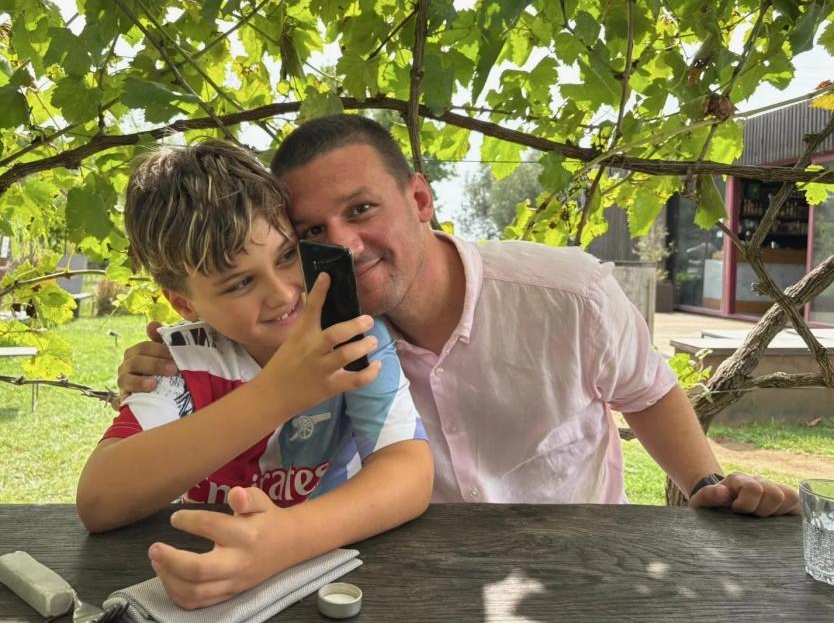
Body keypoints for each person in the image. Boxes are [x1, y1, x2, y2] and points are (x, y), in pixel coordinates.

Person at [119, 115, 800, 515]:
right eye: (314, 232)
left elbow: (648, 392)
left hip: (580, 575)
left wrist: (707, 485)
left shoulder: (570, 294)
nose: (345, 245)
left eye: (361, 209)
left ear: (420, 199)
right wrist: (179, 355)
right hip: (419, 583)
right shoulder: (334, 338)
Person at [77, 139, 433, 609]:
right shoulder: (181, 361)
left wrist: (285, 539)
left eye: (287, 256)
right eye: (241, 282)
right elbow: (99, 501)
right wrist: (275, 395)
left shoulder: (349, 336)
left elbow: (409, 470)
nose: (284, 293)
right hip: (208, 575)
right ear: (183, 303)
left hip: (334, 573)